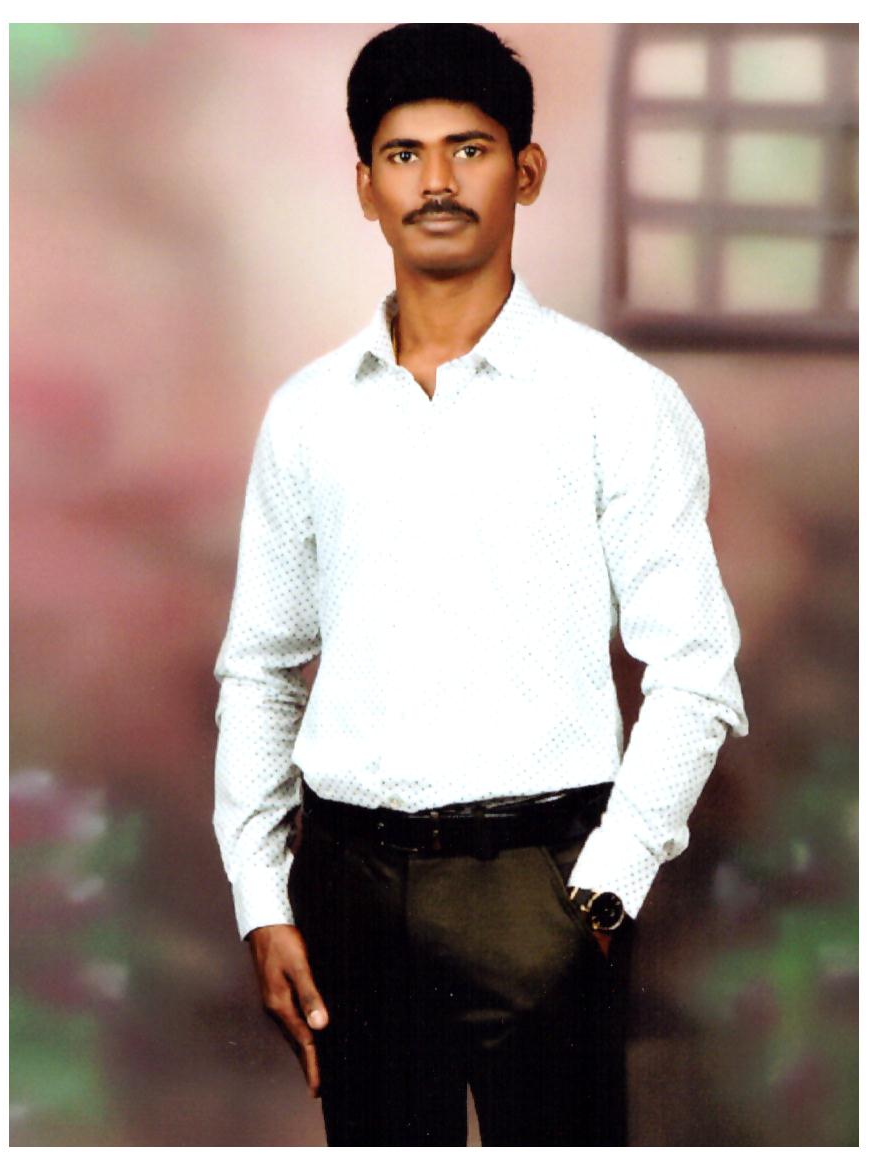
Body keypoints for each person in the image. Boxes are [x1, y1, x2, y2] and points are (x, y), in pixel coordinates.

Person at [213, 22, 747, 1147]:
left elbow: (695, 668)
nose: (437, 182)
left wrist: (603, 886)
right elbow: (261, 669)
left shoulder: (615, 400)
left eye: (471, 148)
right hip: (347, 884)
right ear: (365, 186)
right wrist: (264, 899)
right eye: (403, 154)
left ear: (527, 171)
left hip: (541, 885)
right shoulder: (308, 416)